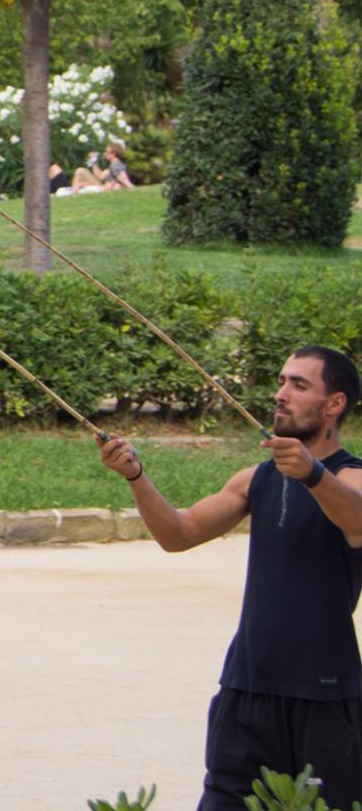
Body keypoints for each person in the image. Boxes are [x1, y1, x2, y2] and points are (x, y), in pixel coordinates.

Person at [98, 347, 362, 809]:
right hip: (246, 689)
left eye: (298, 385)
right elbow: (178, 534)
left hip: (325, 696)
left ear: (334, 404)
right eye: (281, 381)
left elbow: (356, 517)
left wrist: (313, 475)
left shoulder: (350, 477)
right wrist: (135, 476)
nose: (280, 395)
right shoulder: (254, 479)